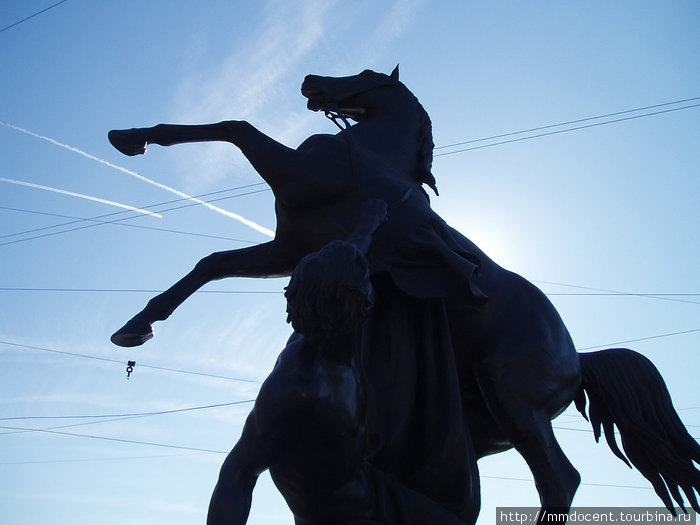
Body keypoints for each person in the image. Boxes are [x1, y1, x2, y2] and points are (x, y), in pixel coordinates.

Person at [207, 203, 468, 525]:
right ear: (356, 301)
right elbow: (238, 471)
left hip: (374, 491)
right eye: (365, 286)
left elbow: (349, 257)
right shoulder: (296, 388)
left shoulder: (336, 326)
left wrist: (371, 220)